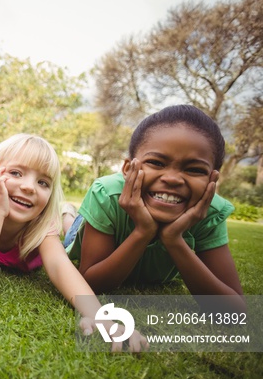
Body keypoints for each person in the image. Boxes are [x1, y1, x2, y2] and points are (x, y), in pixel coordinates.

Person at [0, 134, 147, 352]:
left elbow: (59, 265)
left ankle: (68, 214)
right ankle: (67, 215)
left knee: (73, 234)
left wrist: (102, 319)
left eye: (43, 182)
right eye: (15, 173)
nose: (29, 187)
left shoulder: (41, 224)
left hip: (60, 229)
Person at [65, 105, 245, 312]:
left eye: (194, 169)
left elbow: (235, 313)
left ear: (213, 179)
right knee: (71, 233)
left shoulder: (211, 212)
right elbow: (90, 285)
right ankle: (68, 214)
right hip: (85, 229)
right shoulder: (107, 194)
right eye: (157, 163)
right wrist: (143, 231)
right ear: (127, 169)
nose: (172, 179)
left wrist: (174, 239)